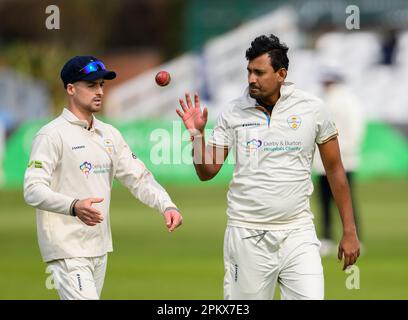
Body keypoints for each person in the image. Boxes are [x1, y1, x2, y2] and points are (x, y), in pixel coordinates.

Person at [176, 34, 360, 300]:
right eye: (249, 71)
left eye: (259, 72)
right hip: (247, 233)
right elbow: (207, 172)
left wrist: (350, 231)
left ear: (281, 74)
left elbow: (334, 170)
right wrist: (197, 136)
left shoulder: (313, 109)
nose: (252, 78)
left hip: (298, 233)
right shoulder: (232, 112)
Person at [24, 56, 182, 300]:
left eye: (101, 85)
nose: (99, 92)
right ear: (71, 88)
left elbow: (138, 177)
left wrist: (166, 204)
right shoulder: (51, 135)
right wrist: (73, 206)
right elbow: (32, 190)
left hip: (99, 247)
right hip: (67, 249)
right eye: (91, 85)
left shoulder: (109, 134)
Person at [314, 69, 365, 256]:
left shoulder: (349, 101)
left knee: (346, 200)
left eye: (329, 82)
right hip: (322, 164)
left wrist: (342, 152)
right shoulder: (320, 100)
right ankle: (326, 237)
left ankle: (355, 237)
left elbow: (355, 130)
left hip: (344, 161)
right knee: (324, 201)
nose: (327, 86)